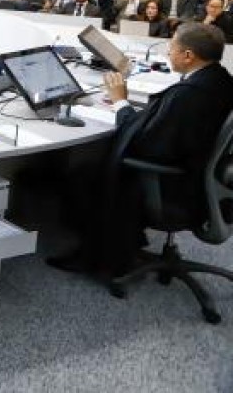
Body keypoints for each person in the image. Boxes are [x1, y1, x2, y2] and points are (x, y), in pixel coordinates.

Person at [50, 24, 233, 276]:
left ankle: (100, 258)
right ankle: (127, 242)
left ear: (188, 56)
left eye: (172, 47)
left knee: (85, 175)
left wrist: (120, 102)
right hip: (198, 181)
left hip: (174, 189)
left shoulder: (190, 95)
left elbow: (145, 145)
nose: (168, 52)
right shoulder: (220, 80)